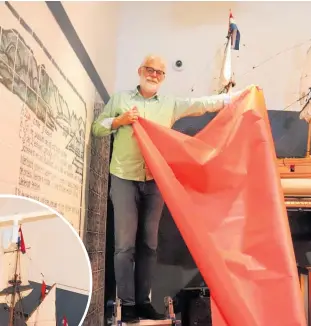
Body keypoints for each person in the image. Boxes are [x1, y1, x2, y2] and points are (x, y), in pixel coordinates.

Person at [91, 55, 242, 322]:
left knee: (149, 245)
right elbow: (97, 129)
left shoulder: (170, 104)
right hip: (124, 177)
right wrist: (119, 121)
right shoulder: (120, 100)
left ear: (163, 77)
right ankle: (126, 304)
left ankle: (142, 302)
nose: (154, 75)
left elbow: (199, 105)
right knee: (124, 246)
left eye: (160, 72)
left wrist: (234, 98)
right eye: (150, 70)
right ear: (140, 71)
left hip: (155, 181)